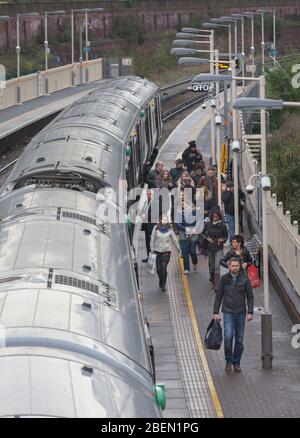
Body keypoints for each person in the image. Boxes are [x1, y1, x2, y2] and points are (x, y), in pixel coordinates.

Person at [213, 257, 254, 373]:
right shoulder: (224, 279)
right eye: (233, 266)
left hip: (241, 313)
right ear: (229, 266)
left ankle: (237, 362)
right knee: (228, 336)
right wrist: (215, 312)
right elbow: (219, 296)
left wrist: (250, 312)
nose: (235, 268)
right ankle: (228, 361)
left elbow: (250, 297)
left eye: (237, 266)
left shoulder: (245, 280)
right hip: (228, 312)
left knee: (240, 340)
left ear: (240, 266)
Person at [150, 215, 181, 292]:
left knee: (164, 267)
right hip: (157, 251)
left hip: (166, 251)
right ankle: (161, 279)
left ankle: (163, 284)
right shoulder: (156, 228)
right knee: (158, 269)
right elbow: (152, 238)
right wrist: (151, 248)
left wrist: (178, 249)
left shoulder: (170, 230)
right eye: (163, 219)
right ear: (160, 220)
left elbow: (174, 240)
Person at [203, 211, 228, 290]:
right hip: (210, 247)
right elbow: (202, 233)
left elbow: (226, 236)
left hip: (218, 247)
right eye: (214, 216)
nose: (215, 218)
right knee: (212, 266)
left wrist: (222, 240)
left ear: (219, 217)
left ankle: (217, 284)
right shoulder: (207, 224)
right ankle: (213, 282)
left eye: (216, 216)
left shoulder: (223, 226)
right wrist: (207, 238)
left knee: (217, 265)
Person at [175, 198, 199, 274]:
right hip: (183, 233)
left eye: (185, 203)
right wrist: (185, 229)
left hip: (193, 233)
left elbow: (198, 222)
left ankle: (195, 263)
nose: (183, 205)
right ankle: (186, 268)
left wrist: (194, 229)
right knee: (185, 252)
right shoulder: (178, 212)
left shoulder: (194, 212)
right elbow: (177, 223)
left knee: (192, 251)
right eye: (182, 204)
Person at [140, 189, 156, 263]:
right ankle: (148, 257)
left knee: (152, 242)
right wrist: (140, 214)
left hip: (152, 226)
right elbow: (142, 211)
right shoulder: (146, 203)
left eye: (149, 194)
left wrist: (145, 216)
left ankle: (153, 258)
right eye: (147, 194)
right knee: (147, 242)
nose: (148, 195)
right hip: (146, 226)